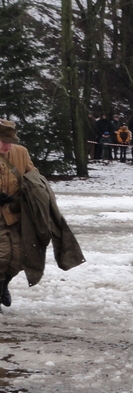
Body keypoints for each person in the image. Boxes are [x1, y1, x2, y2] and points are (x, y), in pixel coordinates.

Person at [0, 120, 84, 312]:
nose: (7, 145)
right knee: (2, 255)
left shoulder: (21, 153)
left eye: (10, 141)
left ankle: (4, 285)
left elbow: (33, 177)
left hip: (16, 213)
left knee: (19, 257)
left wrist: (34, 192)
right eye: (3, 141)